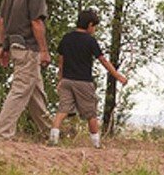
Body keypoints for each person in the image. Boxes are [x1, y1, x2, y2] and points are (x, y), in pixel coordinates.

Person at [0, 0, 55, 139]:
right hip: (28, 47)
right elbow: (36, 22)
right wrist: (44, 51)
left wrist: (3, 45)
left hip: (14, 45)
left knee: (36, 93)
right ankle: (2, 134)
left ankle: (50, 135)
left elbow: (1, 20)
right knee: (20, 89)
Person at [49, 9, 128, 148]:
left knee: (62, 110)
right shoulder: (90, 41)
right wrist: (117, 76)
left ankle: (53, 138)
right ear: (89, 24)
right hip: (83, 81)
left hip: (66, 80)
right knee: (91, 113)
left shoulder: (66, 38)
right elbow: (103, 60)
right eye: (94, 26)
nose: (95, 29)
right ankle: (96, 144)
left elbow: (60, 59)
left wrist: (60, 78)